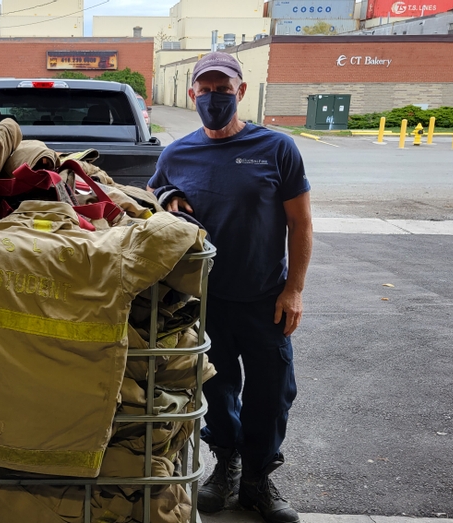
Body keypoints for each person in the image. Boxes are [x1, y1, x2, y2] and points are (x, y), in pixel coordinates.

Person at [148, 52, 313, 523]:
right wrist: (166, 196)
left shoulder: (277, 148)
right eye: (206, 89)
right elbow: (149, 199)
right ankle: (227, 467)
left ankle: (259, 481)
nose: (214, 97)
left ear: (241, 93)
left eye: (224, 89)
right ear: (191, 93)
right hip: (203, 303)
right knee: (216, 393)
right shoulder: (177, 153)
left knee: (272, 392)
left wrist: (294, 290)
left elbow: (300, 224)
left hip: (266, 299)